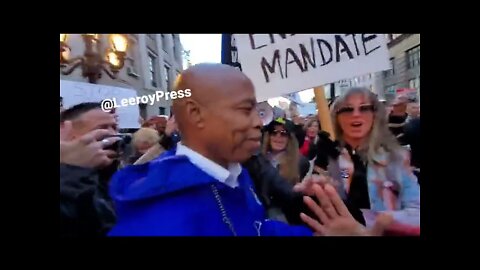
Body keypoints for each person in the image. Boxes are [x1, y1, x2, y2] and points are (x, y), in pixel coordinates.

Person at [108, 64, 390, 236]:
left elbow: (255, 230)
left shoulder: (231, 174)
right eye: (246, 110)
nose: (258, 123)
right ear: (195, 114)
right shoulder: (161, 222)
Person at [317, 87, 420, 226]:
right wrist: (342, 173)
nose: (356, 114)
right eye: (347, 109)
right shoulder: (329, 157)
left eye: (364, 108)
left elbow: (417, 213)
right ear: (337, 118)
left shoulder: (396, 158)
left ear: (375, 115)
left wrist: (375, 220)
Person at [60, 102, 120, 237]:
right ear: (70, 134)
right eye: (102, 128)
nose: (112, 134)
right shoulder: (71, 176)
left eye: (114, 127)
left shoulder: (109, 171)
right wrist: (73, 169)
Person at [260, 117, 310, 221]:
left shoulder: (300, 162)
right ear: (268, 136)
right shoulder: (258, 158)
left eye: (284, 133)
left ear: (290, 138)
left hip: (285, 215)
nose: (278, 137)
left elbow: (288, 194)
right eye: (274, 133)